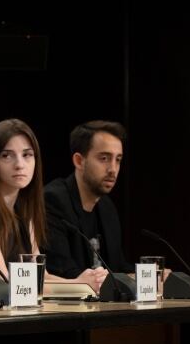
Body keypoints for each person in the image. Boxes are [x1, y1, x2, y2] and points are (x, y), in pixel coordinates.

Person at [0, 119, 104, 292]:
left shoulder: (24, 207)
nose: (19, 165)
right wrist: (78, 286)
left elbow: (38, 277)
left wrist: (83, 282)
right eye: (7, 155)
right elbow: (2, 283)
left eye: (27, 155)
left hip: (9, 312)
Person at [42, 120, 134, 287]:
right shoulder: (53, 200)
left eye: (118, 159)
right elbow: (62, 271)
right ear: (79, 161)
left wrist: (148, 276)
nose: (113, 169)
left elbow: (118, 266)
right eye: (104, 158)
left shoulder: (107, 207)